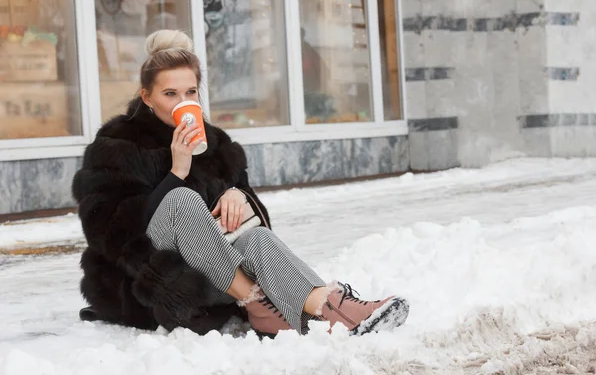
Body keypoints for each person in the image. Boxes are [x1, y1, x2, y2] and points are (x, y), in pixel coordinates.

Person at [73, 29, 409, 338]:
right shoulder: (115, 145)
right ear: (147, 97)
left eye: (190, 92)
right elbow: (111, 235)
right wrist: (176, 172)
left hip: (212, 277)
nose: (182, 102)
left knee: (258, 237)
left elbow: (252, 225)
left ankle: (330, 305)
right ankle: (257, 300)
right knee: (182, 200)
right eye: (170, 93)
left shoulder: (215, 144)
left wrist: (239, 195)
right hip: (153, 286)